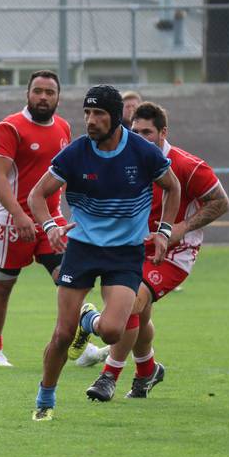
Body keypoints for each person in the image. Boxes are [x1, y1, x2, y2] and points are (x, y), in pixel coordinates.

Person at [27, 84, 181, 422]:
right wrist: (50, 227)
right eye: (87, 113)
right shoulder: (75, 153)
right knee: (62, 335)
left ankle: (90, 320)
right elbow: (36, 196)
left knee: (112, 331)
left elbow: (173, 186)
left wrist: (164, 232)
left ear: (114, 117)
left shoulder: (142, 151)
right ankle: (45, 398)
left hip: (125, 253)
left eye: (98, 113)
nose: (90, 120)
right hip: (82, 249)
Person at [84, 102, 229, 401]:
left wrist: (182, 227)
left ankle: (108, 376)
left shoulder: (188, 166)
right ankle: (147, 371)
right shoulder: (126, 161)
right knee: (139, 315)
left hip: (174, 254)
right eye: (135, 131)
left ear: (163, 132)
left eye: (147, 132)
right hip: (131, 249)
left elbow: (221, 202)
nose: (140, 138)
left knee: (131, 304)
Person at [0, 70, 107, 368]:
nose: (43, 97)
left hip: (52, 222)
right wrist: (18, 214)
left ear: (58, 97)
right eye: (37, 91)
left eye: (49, 92)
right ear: (28, 94)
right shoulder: (10, 127)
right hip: (12, 222)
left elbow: (68, 173)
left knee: (71, 280)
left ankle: (78, 344)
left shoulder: (63, 127)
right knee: (3, 284)